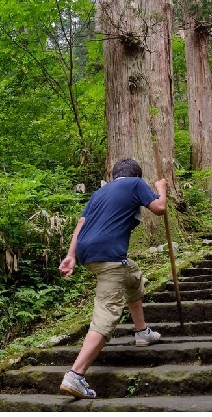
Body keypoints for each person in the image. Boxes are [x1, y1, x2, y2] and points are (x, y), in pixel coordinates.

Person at [57, 158, 167, 399]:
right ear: (136, 175)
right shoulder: (135, 183)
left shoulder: (99, 192)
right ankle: (76, 375)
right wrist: (161, 189)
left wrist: (70, 256)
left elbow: (81, 224)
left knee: (132, 275)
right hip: (109, 256)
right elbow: (159, 208)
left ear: (114, 174)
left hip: (88, 253)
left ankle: (142, 332)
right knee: (107, 311)